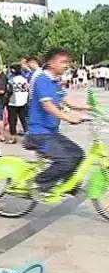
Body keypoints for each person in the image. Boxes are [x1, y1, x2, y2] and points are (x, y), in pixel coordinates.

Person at [25, 48, 91, 193]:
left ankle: (67, 184)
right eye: (63, 62)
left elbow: (67, 100)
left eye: (68, 62)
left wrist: (90, 108)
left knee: (78, 154)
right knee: (66, 161)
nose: (67, 65)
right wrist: (68, 117)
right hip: (39, 134)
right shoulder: (42, 80)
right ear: (51, 63)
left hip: (51, 133)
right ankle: (39, 183)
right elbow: (47, 105)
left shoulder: (54, 81)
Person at [6, 64, 29, 143]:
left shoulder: (11, 80)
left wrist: (6, 98)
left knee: (12, 121)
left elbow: (9, 91)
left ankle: (13, 138)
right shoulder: (25, 79)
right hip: (23, 101)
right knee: (24, 120)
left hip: (13, 102)